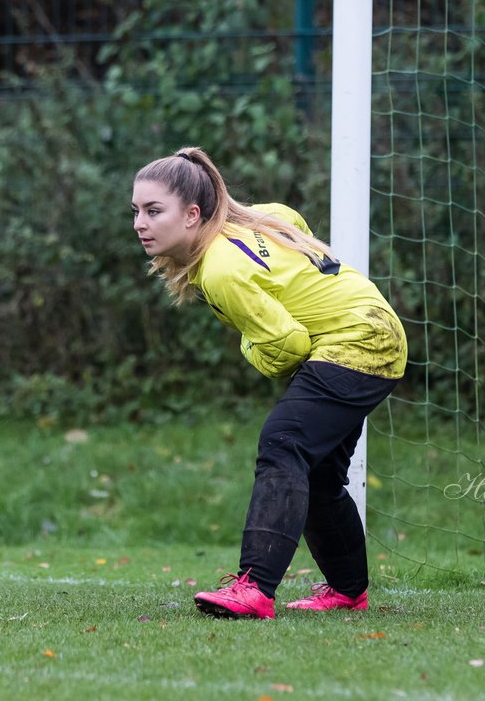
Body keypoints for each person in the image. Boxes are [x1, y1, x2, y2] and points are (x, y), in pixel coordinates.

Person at [130, 146, 407, 619]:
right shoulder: (259, 218)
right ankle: (347, 590)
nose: (140, 223)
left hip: (356, 341)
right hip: (377, 328)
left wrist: (247, 346)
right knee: (317, 472)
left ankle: (254, 587)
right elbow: (288, 217)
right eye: (136, 211)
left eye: (154, 211)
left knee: (283, 444)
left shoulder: (219, 269)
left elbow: (288, 345)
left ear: (193, 215)